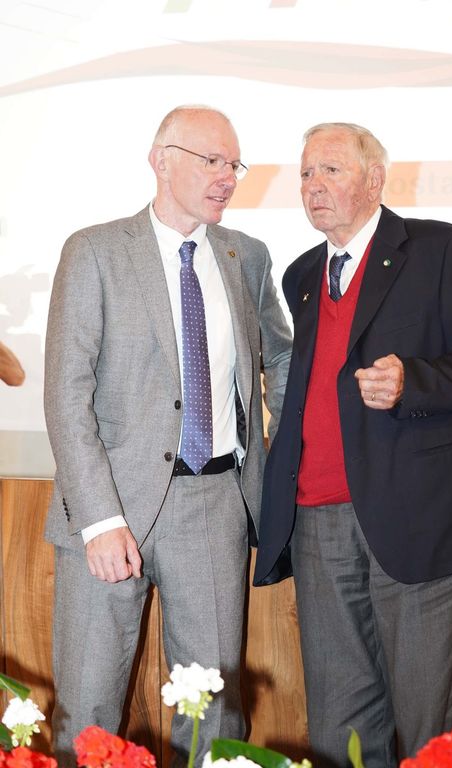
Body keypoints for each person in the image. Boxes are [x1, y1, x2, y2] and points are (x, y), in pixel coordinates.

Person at [254, 122, 452, 768]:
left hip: (420, 518)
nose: (313, 186)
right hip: (317, 522)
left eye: (330, 170)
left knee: (430, 728)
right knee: (338, 727)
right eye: (305, 173)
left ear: (374, 179)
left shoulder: (440, 249)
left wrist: (413, 381)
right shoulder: (301, 274)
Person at [44, 105, 292, 767]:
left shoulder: (247, 256)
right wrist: (100, 521)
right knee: (87, 713)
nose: (226, 176)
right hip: (109, 508)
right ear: (161, 160)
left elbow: (281, 357)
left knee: (213, 714)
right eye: (211, 160)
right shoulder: (94, 251)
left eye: (233, 164)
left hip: (215, 506)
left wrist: (281, 449)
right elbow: (66, 393)